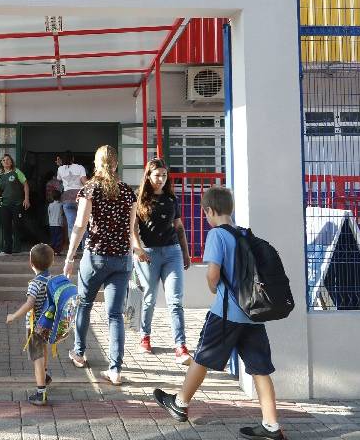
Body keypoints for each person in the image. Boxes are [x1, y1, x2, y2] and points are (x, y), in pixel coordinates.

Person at [152, 186, 286, 440]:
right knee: (260, 369)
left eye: (205, 214)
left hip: (226, 313)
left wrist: (213, 286)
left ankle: (179, 403)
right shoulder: (244, 233)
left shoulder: (217, 235)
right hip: (252, 314)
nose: (206, 218)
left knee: (203, 356)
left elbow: (213, 275)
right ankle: (271, 426)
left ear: (210, 211)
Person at [62, 145, 137, 386]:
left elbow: (79, 226)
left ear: (96, 164)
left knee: (84, 305)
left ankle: (79, 353)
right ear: (116, 164)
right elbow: (131, 229)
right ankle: (115, 370)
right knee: (115, 314)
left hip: (95, 257)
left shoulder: (90, 189)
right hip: (122, 260)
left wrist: (69, 257)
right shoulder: (128, 192)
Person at [129, 158, 192, 363]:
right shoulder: (139, 198)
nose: (161, 179)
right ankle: (145, 336)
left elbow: (179, 227)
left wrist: (185, 253)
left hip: (172, 252)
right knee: (149, 298)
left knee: (175, 301)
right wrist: (138, 249)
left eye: (164, 175)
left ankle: (180, 346)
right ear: (148, 175)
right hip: (148, 254)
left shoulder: (171, 198)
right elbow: (132, 229)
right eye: (157, 175)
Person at [6, 243, 56, 406]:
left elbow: (30, 304)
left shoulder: (35, 283)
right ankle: (46, 376)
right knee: (43, 350)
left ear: (31, 263)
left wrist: (14, 315)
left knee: (37, 358)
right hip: (47, 323)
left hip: (35, 326)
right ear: (52, 262)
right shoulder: (50, 279)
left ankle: (40, 393)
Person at [0, 154, 30, 254]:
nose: (6, 161)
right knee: (6, 226)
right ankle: (7, 249)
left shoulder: (16, 172)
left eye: (8, 160)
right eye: (3, 160)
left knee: (17, 225)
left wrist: (26, 199)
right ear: (1, 163)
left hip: (17, 204)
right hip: (5, 205)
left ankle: (17, 248)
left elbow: (25, 185)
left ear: (11, 162)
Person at [57, 151, 87, 239]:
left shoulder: (60, 169)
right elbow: (84, 182)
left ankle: (73, 249)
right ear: (73, 158)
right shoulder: (80, 167)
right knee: (82, 223)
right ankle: (84, 247)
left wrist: (60, 165)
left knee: (71, 224)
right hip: (79, 197)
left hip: (67, 199)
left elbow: (59, 178)